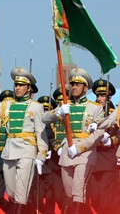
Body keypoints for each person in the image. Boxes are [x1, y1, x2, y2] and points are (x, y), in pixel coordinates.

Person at [0, 67, 49, 213]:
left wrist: (41, 155)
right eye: (16, 85)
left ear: (28, 88)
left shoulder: (36, 107)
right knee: (11, 194)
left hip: (27, 151)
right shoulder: (7, 105)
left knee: (21, 194)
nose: (17, 88)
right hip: (9, 151)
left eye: (21, 85)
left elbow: (42, 134)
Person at [42, 68, 106, 213]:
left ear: (85, 88)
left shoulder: (95, 108)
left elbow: (98, 133)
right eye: (72, 84)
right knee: (70, 194)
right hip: (67, 154)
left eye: (77, 84)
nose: (74, 87)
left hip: (85, 153)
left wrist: (79, 148)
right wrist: (57, 111)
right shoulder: (65, 106)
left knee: (78, 191)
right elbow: (44, 119)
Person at [87, 79, 120, 213]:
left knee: (107, 199)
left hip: (108, 159)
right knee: (94, 198)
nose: (100, 98)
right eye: (98, 95)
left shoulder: (116, 113)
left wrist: (112, 140)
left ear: (109, 96)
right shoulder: (93, 113)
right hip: (93, 158)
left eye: (103, 95)